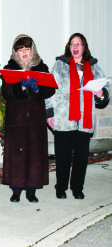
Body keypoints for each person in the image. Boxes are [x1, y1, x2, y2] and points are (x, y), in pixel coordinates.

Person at [46, 33, 110, 199]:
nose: (75, 47)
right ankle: (61, 188)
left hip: (85, 120)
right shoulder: (59, 65)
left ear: (84, 47)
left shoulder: (94, 67)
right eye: (72, 44)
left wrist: (101, 93)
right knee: (63, 157)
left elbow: (104, 92)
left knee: (81, 158)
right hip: (63, 119)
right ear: (69, 47)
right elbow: (50, 91)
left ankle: (77, 188)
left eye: (78, 44)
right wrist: (49, 112)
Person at [2, 34, 55, 203]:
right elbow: (6, 92)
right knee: (17, 155)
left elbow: (51, 90)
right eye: (20, 50)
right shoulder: (10, 68)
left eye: (27, 49)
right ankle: (16, 190)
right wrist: (21, 87)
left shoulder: (41, 67)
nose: (24, 53)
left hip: (36, 120)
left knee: (34, 154)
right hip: (16, 120)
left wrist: (38, 87)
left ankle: (31, 190)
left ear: (33, 50)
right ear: (15, 52)